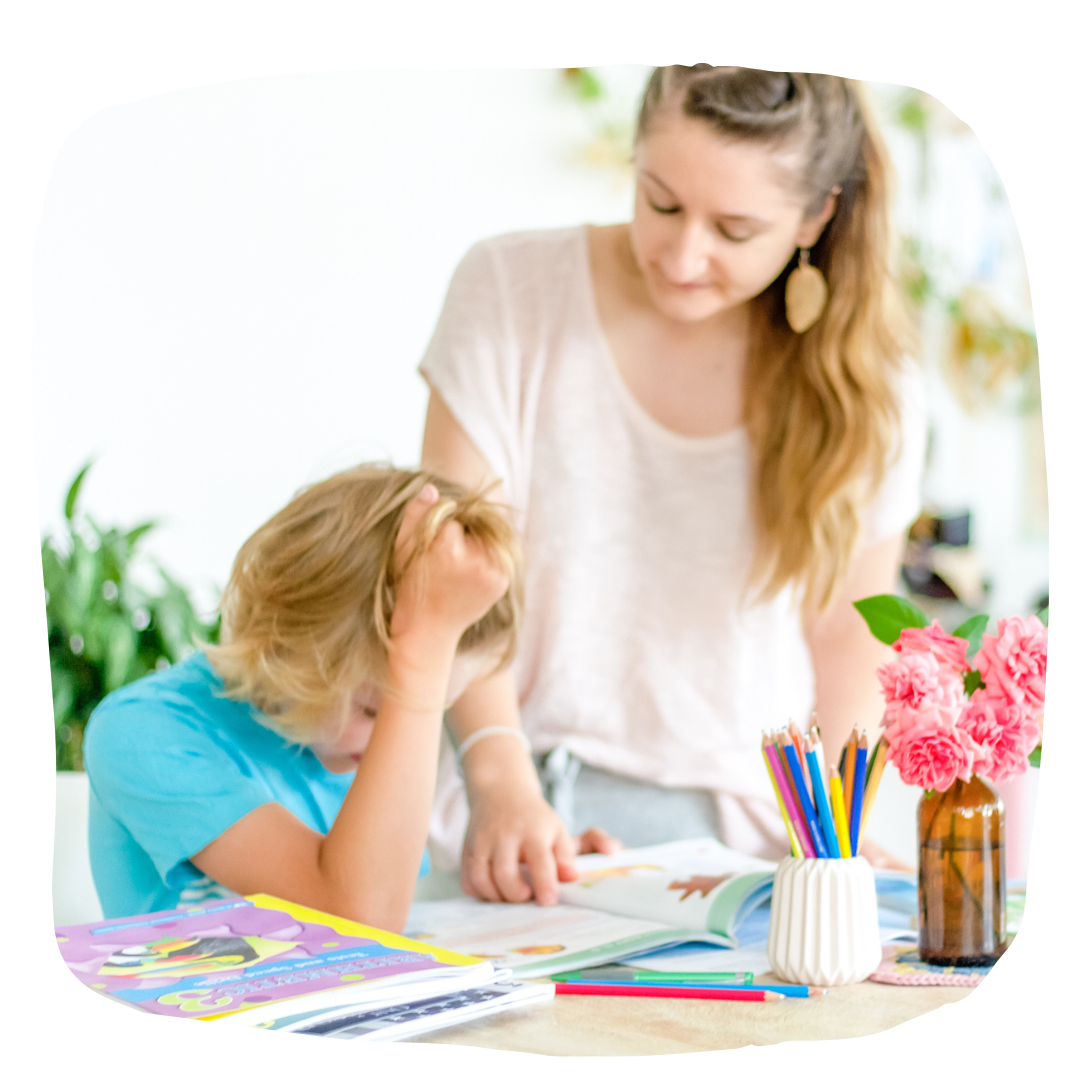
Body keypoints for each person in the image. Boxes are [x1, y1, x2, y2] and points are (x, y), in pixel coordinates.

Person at [419, 68, 926, 903]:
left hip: (757, 835)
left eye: (734, 230)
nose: (684, 257)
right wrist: (499, 779)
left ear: (816, 217)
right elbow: (453, 576)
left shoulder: (875, 384)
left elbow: (848, 631)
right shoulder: (509, 291)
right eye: (660, 203)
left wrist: (837, 833)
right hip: (516, 800)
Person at [83, 465, 589, 928]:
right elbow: (359, 919)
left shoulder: (350, 746)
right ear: (285, 643)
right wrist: (417, 662)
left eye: (431, 709)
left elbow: (404, 912)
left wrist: (524, 869)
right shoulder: (142, 732)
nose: (404, 732)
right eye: (376, 709)